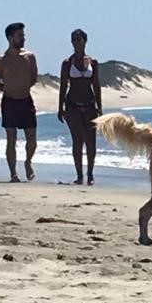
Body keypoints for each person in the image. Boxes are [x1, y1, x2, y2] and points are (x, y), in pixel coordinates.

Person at [0, 22, 38, 182]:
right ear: (10, 38)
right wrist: (9, 88)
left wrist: (22, 87)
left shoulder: (29, 57)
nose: (23, 38)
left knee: (32, 140)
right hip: (9, 101)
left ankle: (28, 162)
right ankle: (13, 173)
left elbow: (33, 77)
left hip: (26, 100)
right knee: (11, 139)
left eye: (23, 35)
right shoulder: (1, 60)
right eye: (20, 36)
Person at [58, 28, 102, 185]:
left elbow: (96, 85)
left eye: (79, 39)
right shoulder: (67, 63)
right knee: (77, 140)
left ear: (85, 41)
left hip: (90, 105)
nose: (77, 42)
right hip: (73, 105)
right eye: (74, 40)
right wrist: (60, 107)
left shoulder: (93, 62)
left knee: (91, 141)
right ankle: (79, 175)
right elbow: (63, 85)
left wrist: (99, 106)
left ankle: (90, 174)